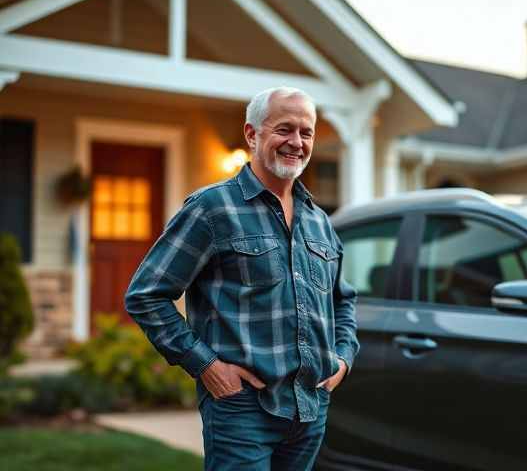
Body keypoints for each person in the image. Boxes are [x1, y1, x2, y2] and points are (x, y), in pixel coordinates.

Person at [125, 87, 359, 471]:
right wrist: (206, 365)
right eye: (284, 129)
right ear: (252, 135)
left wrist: (342, 360)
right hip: (241, 410)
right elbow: (147, 295)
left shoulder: (319, 220)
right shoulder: (212, 208)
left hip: (309, 410)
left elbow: (343, 301)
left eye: (307, 132)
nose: (296, 142)